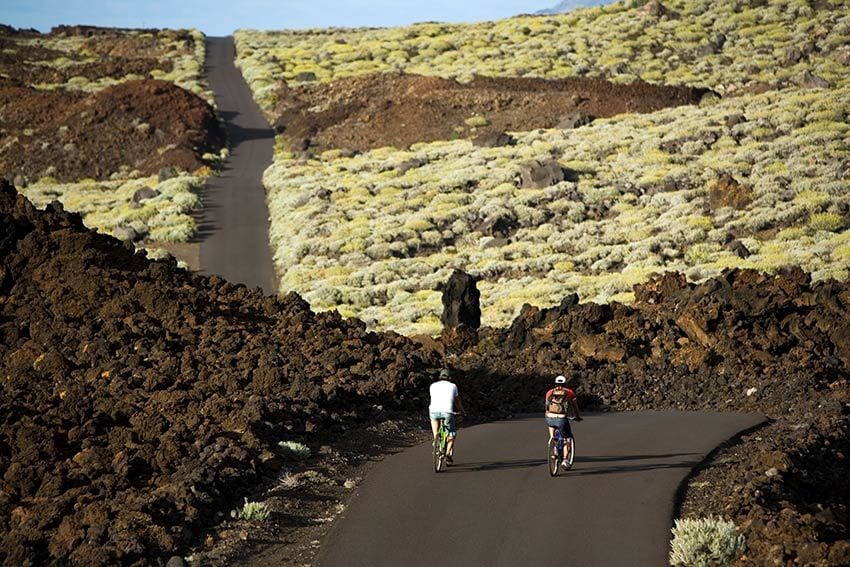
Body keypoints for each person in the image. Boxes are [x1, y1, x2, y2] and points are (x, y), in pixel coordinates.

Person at [545, 375, 582, 469]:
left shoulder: (550, 392)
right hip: (561, 419)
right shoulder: (569, 392)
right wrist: (577, 417)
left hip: (549, 418)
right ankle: (565, 460)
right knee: (567, 438)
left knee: (553, 436)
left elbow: (546, 407)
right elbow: (575, 406)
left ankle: (553, 446)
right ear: (565, 384)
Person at [429, 368, 464, 464]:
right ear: (449, 378)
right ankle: (448, 454)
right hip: (447, 412)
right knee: (451, 433)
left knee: (434, 420)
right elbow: (457, 401)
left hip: (434, 411)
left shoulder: (432, 386)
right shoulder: (453, 386)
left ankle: (436, 438)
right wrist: (461, 411)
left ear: (440, 377)